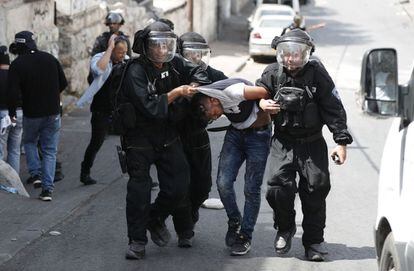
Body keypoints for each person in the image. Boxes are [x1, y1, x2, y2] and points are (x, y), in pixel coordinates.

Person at [256, 29, 353, 261]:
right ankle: (285, 227)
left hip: (312, 144)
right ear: (280, 53)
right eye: (286, 54)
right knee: (277, 188)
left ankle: (314, 242)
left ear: (306, 54)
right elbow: (258, 92)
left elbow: (333, 107)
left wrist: (341, 142)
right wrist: (262, 103)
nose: (291, 59)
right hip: (283, 142)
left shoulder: (317, 74)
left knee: (315, 191)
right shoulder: (272, 73)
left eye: (297, 54)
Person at [118, 21, 210, 260]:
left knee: (180, 186)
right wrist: (178, 92)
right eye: (156, 46)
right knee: (139, 190)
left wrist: (196, 84)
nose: (161, 51)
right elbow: (151, 107)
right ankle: (137, 241)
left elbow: (198, 69)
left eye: (166, 45)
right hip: (139, 138)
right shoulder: (135, 70)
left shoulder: (175, 63)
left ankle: (155, 217)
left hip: (168, 135)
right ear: (146, 47)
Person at [159, 31, 228, 248]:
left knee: (202, 186)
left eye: (200, 55)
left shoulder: (210, 74)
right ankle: (184, 230)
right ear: (180, 54)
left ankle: (192, 212)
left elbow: (232, 88)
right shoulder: (172, 73)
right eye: (190, 54)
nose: (195, 59)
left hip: (198, 137)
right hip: (175, 138)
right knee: (181, 185)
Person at [191, 78, 271, 256]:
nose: (214, 117)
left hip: (258, 136)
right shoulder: (210, 96)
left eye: (211, 113)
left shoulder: (233, 92)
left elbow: (264, 92)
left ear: (212, 100)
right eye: (211, 118)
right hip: (235, 135)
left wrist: (264, 103)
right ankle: (234, 220)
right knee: (223, 182)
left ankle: (245, 236)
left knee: (251, 189)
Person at [7, 31, 68, 201]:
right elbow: (63, 83)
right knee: (50, 151)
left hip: (32, 113)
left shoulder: (17, 64)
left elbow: (12, 93)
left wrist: (12, 113)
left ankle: (36, 174)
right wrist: (50, 96)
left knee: (29, 142)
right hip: (53, 112)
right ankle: (47, 190)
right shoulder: (49, 58)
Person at [77, 34, 129, 185]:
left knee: (130, 142)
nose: (123, 55)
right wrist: (110, 49)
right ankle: (85, 172)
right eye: (120, 52)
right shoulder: (100, 58)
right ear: (112, 49)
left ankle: (139, 176)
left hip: (119, 110)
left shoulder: (126, 61)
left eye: (125, 52)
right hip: (102, 110)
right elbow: (99, 70)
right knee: (96, 143)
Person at [0, 45, 23, 174]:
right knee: (15, 151)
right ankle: (15, 183)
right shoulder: (16, 73)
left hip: (3, 114)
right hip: (19, 114)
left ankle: (2, 183)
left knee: (0, 151)